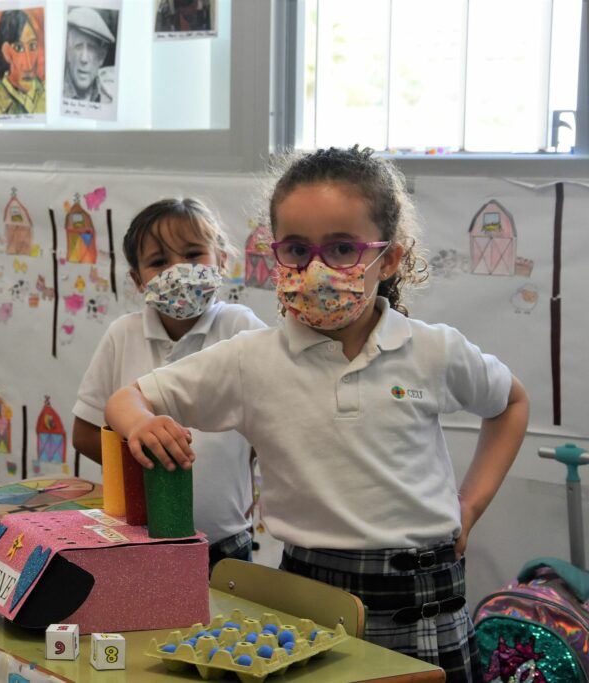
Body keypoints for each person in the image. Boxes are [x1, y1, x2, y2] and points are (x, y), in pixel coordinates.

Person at [105, 146, 529, 682]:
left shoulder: (433, 351)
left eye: (344, 249)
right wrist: (142, 422)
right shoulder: (251, 359)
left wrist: (470, 505)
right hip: (308, 601)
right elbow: (125, 399)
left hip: (429, 604)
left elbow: (511, 402)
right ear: (275, 255)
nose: (319, 269)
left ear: (390, 258)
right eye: (298, 250)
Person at [72, 198, 266, 568]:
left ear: (222, 260)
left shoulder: (241, 329)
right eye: (159, 262)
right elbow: (84, 433)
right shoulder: (122, 335)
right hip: (138, 539)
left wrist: (244, 476)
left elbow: (270, 422)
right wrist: (143, 463)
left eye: (194, 255)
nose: (179, 270)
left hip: (225, 542)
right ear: (137, 278)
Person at [0, 9, 46, 116]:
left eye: (32, 46)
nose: (29, 64)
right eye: (19, 48)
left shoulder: (46, 92)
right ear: (6, 52)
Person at [63, 7, 115, 103]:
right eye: (78, 46)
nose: (84, 59)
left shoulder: (110, 100)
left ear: (102, 57)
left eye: (91, 48)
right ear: (68, 52)